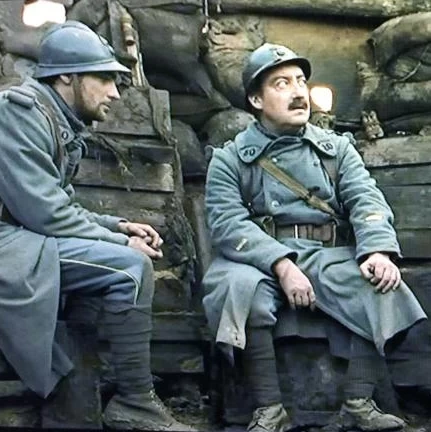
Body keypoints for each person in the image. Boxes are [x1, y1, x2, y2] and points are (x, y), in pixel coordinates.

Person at [202, 42, 430, 432]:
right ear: (256, 100)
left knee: (382, 285)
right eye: (281, 84)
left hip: (327, 254)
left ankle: (358, 403)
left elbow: (366, 198)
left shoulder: (337, 149)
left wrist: (377, 250)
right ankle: (269, 409)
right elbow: (227, 223)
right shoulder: (231, 158)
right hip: (259, 257)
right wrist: (281, 265)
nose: (297, 93)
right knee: (240, 290)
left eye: (300, 81)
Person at [0, 21, 194, 431]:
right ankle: (135, 403)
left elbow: (56, 203)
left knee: (111, 269)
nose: (115, 93)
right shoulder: (19, 113)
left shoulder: (54, 118)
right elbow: (45, 213)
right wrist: (120, 245)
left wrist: (118, 226)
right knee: (130, 268)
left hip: (19, 239)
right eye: (103, 79)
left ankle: (75, 411)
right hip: (8, 245)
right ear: (66, 77)